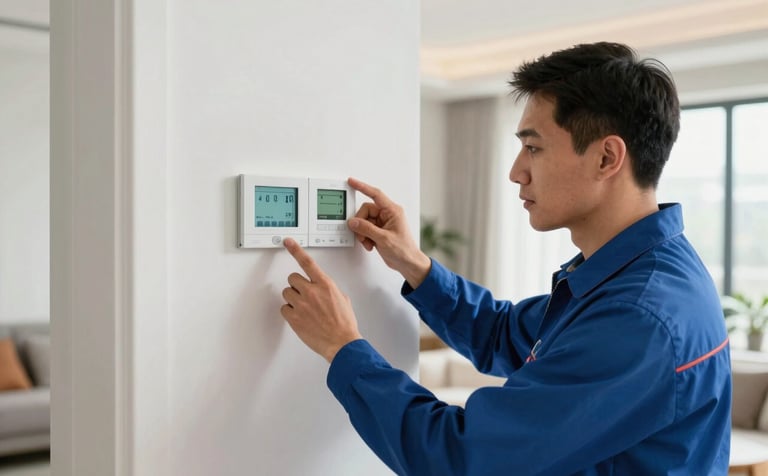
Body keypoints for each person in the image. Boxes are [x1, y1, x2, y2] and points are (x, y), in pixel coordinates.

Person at [279, 42, 731, 475]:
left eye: (533, 147)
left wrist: (342, 347)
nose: (517, 172)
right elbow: (505, 334)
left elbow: (461, 458)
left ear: (606, 157)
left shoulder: (636, 317)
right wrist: (415, 266)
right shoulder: (640, 273)